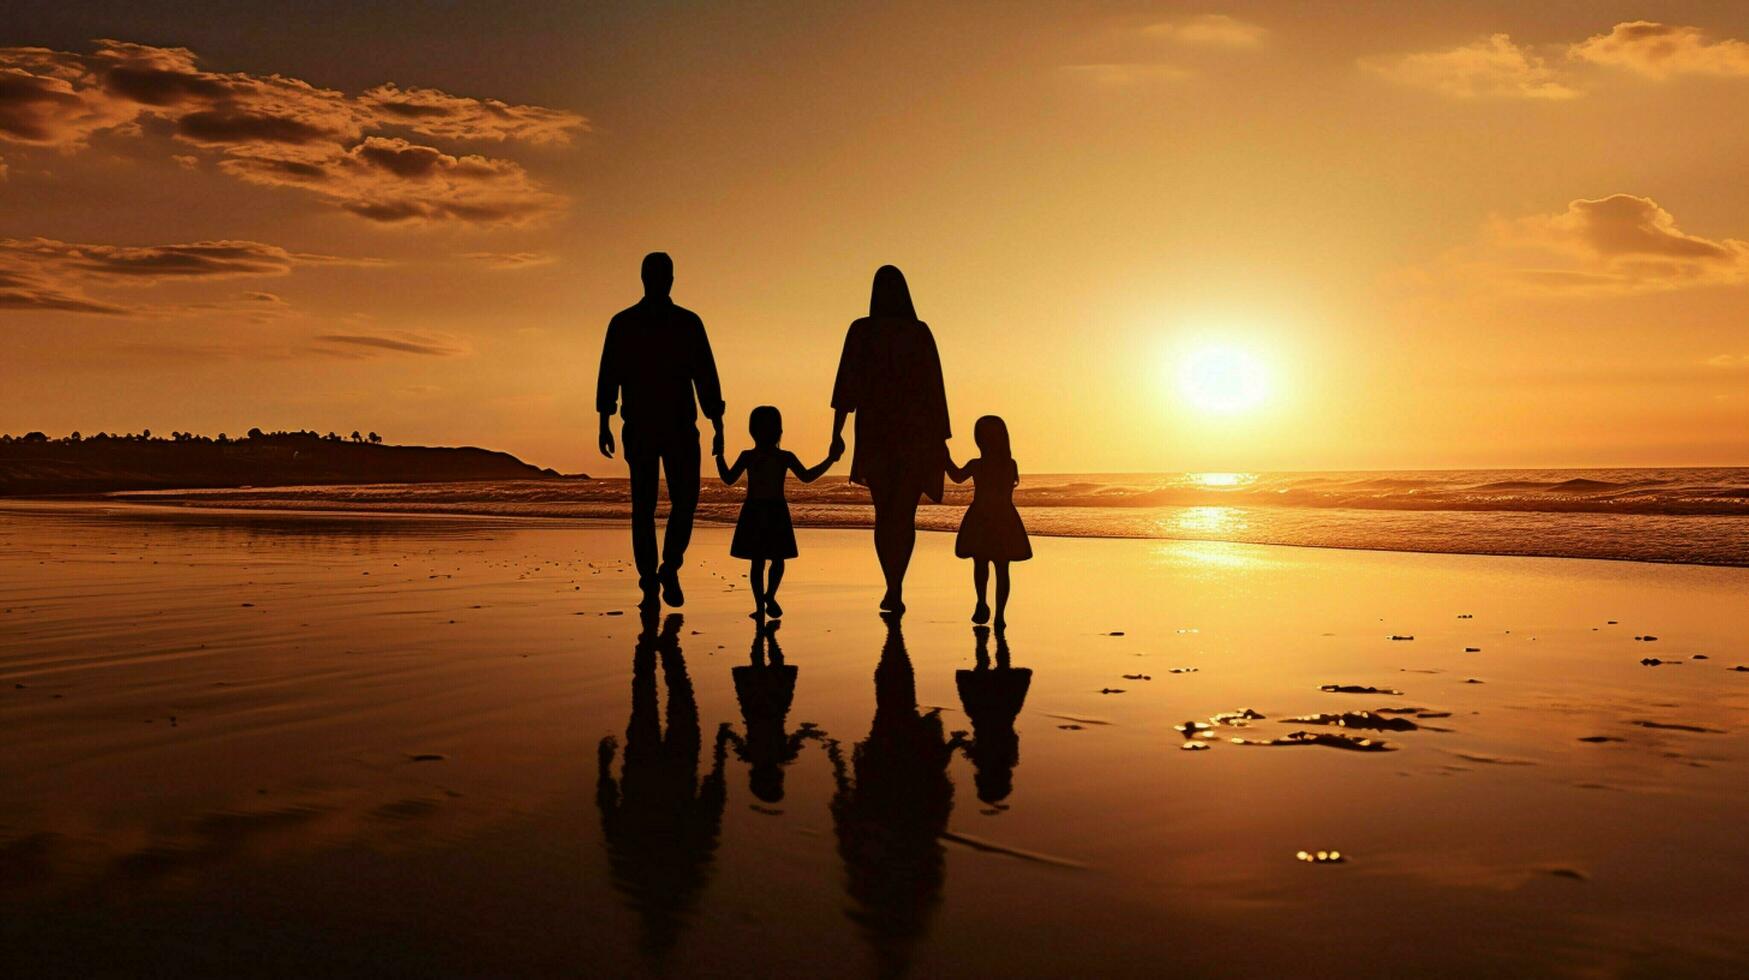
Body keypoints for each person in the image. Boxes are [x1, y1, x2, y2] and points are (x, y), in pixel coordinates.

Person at [596, 252, 726, 612]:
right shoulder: (648, 323)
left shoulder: (646, 323)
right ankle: (658, 573)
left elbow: (705, 375)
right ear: (662, 279)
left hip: (660, 424)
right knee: (662, 503)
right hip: (660, 424)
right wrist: (604, 419)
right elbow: (610, 373)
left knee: (660, 504)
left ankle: (661, 572)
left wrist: (717, 421)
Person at [829, 265, 950, 615]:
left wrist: (836, 433)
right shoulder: (918, 332)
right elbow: (934, 390)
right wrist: (941, 439)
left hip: (876, 434)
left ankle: (891, 584)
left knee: (885, 514)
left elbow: (845, 386)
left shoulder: (862, 330)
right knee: (905, 515)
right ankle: (896, 584)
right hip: (917, 436)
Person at [714, 405, 839, 619]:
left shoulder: (752, 456)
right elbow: (808, 477)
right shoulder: (782, 456)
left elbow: (727, 479)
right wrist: (830, 460)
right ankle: (768, 598)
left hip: (756, 510)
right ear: (779, 430)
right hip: (774, 510)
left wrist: (719, 455)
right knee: (775, 560)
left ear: (752, 430)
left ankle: (763, 602)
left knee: (759, 561)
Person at [945, 415, 1031, 628]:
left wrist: (944, 457)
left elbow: (956, 476)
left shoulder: (977, 464)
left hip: (981, 517)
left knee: (980, 563)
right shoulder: (1010, 464)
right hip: (1004, 517)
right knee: (1002, 568)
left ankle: (982, 602)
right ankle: (1000, 615)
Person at [722, 621, 821, 804]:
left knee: (768, 665)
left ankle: (765, 635)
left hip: (767, 707)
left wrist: (807, 731)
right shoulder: (756, 755)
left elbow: (799, 737)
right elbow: (729, 737)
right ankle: (765, 635)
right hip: (765, 707)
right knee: (764, 665)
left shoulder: (772, 755)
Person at [952, 626, 1032, 807]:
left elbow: (1012, 737)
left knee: (998, 669)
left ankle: (989, 640)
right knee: (987, 669)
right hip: (985, 713)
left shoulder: (1005, 756)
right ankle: (985, 641)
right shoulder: (989, 757)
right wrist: (959, 742)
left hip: (1000, 712)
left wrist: (958, 741)